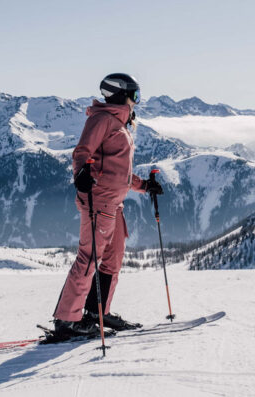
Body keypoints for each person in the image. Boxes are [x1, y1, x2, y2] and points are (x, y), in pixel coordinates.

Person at [51, 73, 163, 338]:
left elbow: (117, 172)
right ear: (119, 93)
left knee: (112, 259)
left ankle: (96, 312)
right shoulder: (102, 119)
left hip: (115, 204)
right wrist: (81, 175)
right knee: (89, 258)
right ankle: (67, 320)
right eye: (135, 95)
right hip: (98, 200)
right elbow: (82, 152)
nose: (137, 101)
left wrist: (144, 185)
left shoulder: (119, 123)